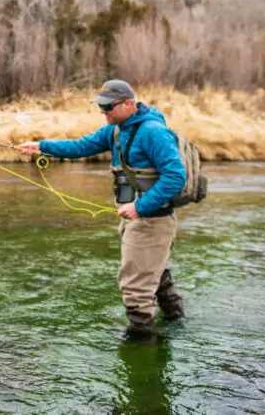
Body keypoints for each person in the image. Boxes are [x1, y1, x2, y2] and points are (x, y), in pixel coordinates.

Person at [16, 79, 186, 337]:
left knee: (135, 289)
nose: (103, 112)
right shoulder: (115, 130)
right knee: (156, 273)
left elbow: (175, 176)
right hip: (136, 218)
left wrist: (140, 207)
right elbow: (81, 147)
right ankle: (177, 324)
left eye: (108, 107)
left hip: (151, 220)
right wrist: (41, 146)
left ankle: (141, 347)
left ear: (129, 104)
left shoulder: (153, 131)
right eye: (100, 106)